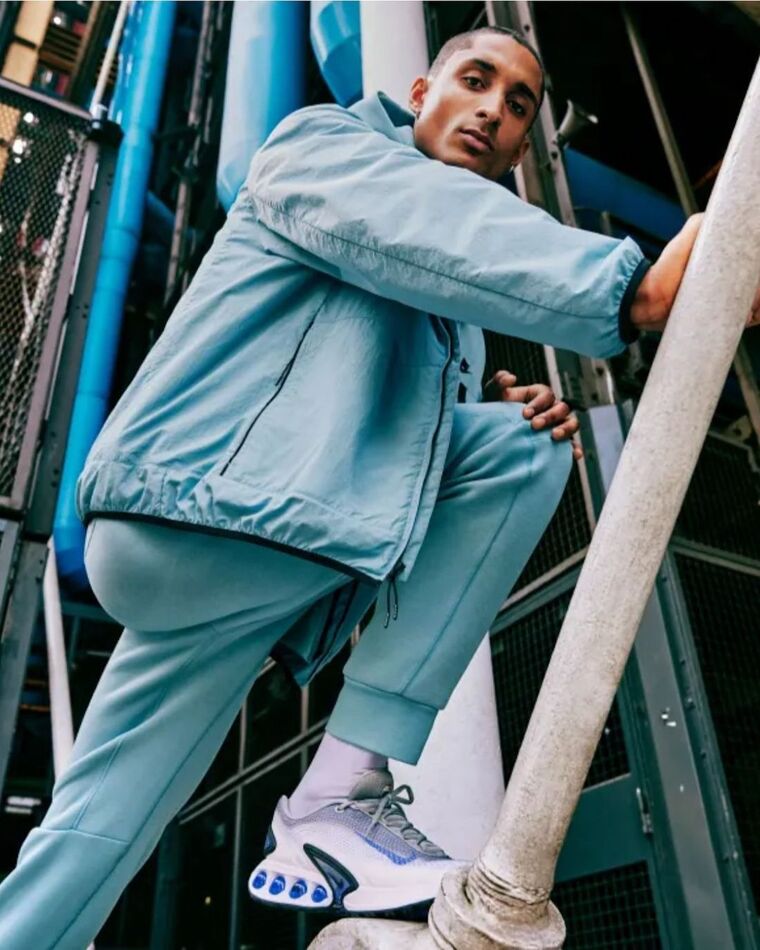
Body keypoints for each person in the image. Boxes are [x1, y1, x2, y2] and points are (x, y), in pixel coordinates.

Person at [3, 24, 755, 949]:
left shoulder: (454, 314)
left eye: (518, 104)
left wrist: (471, 416)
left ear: (524, 147)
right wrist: (628, 289)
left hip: (223, 550)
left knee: (89, 836)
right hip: (218, 513)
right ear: (420, 93)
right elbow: (417, 226)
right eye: (476, 80)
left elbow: (386, 354)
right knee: (523, 455)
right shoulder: (323, 144)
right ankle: (343, 788)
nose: (494, 109)